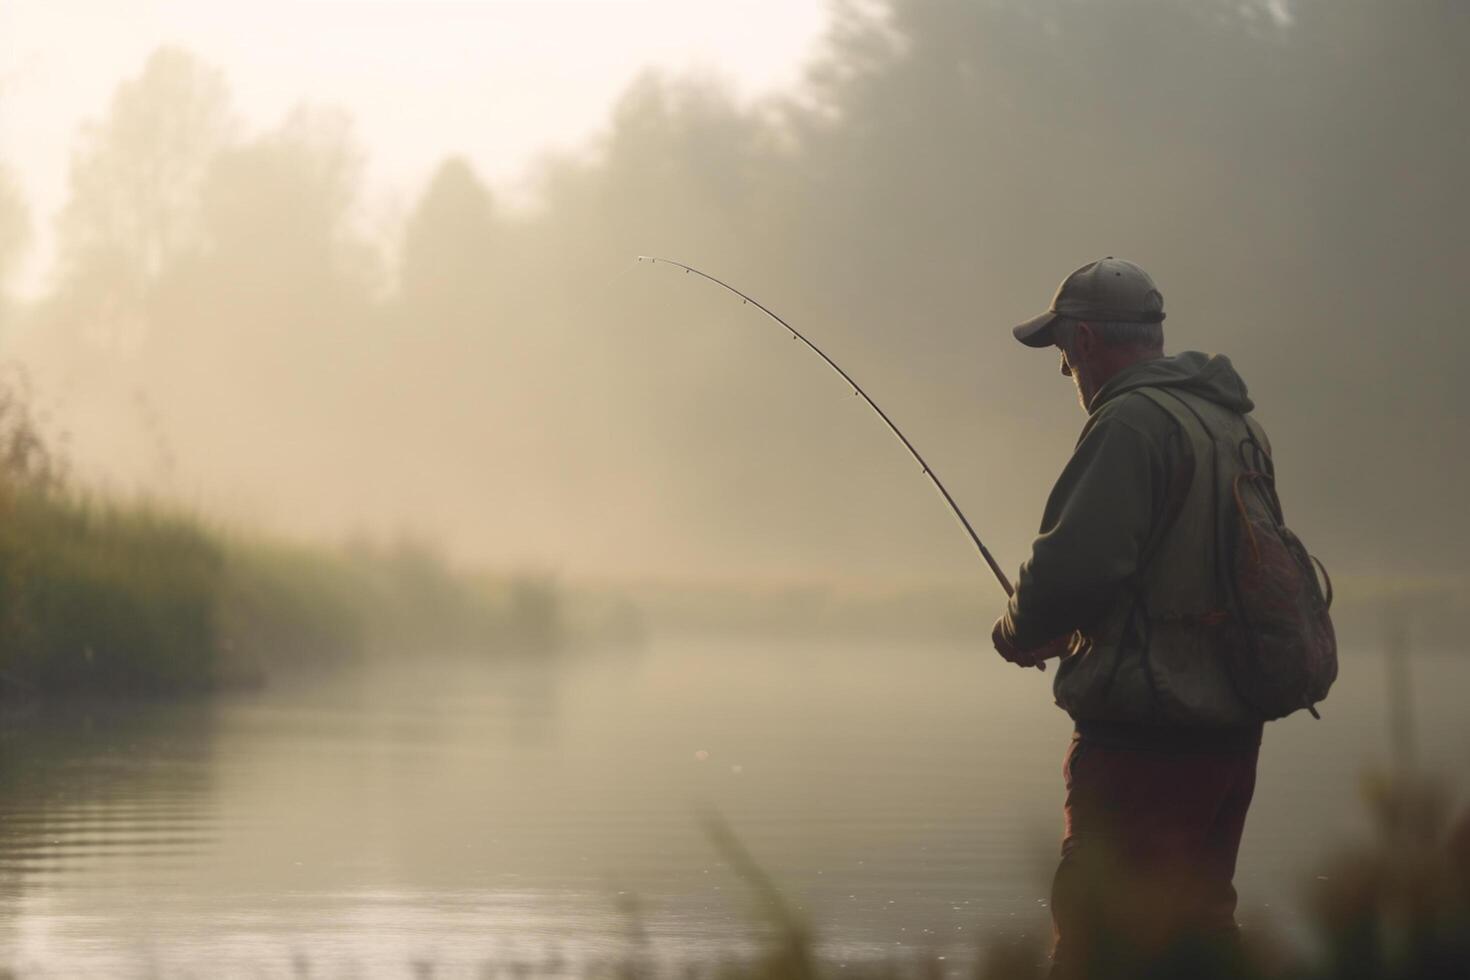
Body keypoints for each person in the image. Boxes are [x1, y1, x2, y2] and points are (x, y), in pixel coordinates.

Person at [992, 257, 1273, 977]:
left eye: (1061, 355)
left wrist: (1019, 630)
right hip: (1231, 731)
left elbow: (1072, 571)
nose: (1067, 374)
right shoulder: (1231, 421)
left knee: (1100, 937)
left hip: (1143, 737)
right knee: (1199, 931)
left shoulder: (1129, 424)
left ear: (1084, 341)